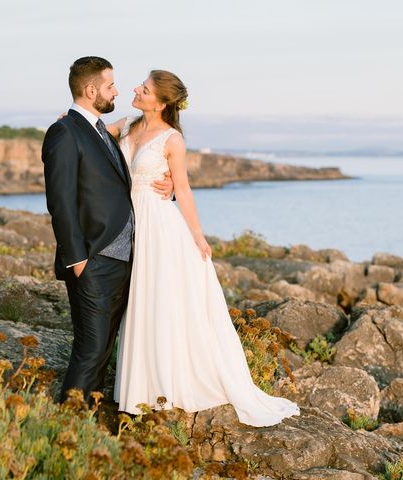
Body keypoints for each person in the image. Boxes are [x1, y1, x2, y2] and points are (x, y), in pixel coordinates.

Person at [108, 70, 299, 427]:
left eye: (144, 89)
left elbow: (183, 186)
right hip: (131, 223)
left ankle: (165, 385)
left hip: (160, 227)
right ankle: (140, 386)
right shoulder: (129, 125)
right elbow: (93, 134)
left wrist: (198, 235)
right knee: (140, 300)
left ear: (161, 102)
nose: (136, 89)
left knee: (160, 301)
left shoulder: (172, 139)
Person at [41, 57, 173, 404]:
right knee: (90, 348)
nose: (117, 90)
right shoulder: (66, 132)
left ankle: (86, 423)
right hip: (93, 260)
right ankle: (64, 429)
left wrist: (169, 181)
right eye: (110, 85)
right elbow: (61, 202)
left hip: (124, 261)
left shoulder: (102, 129)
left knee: (103, 350)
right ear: (90, 90)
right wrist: (77, 259)